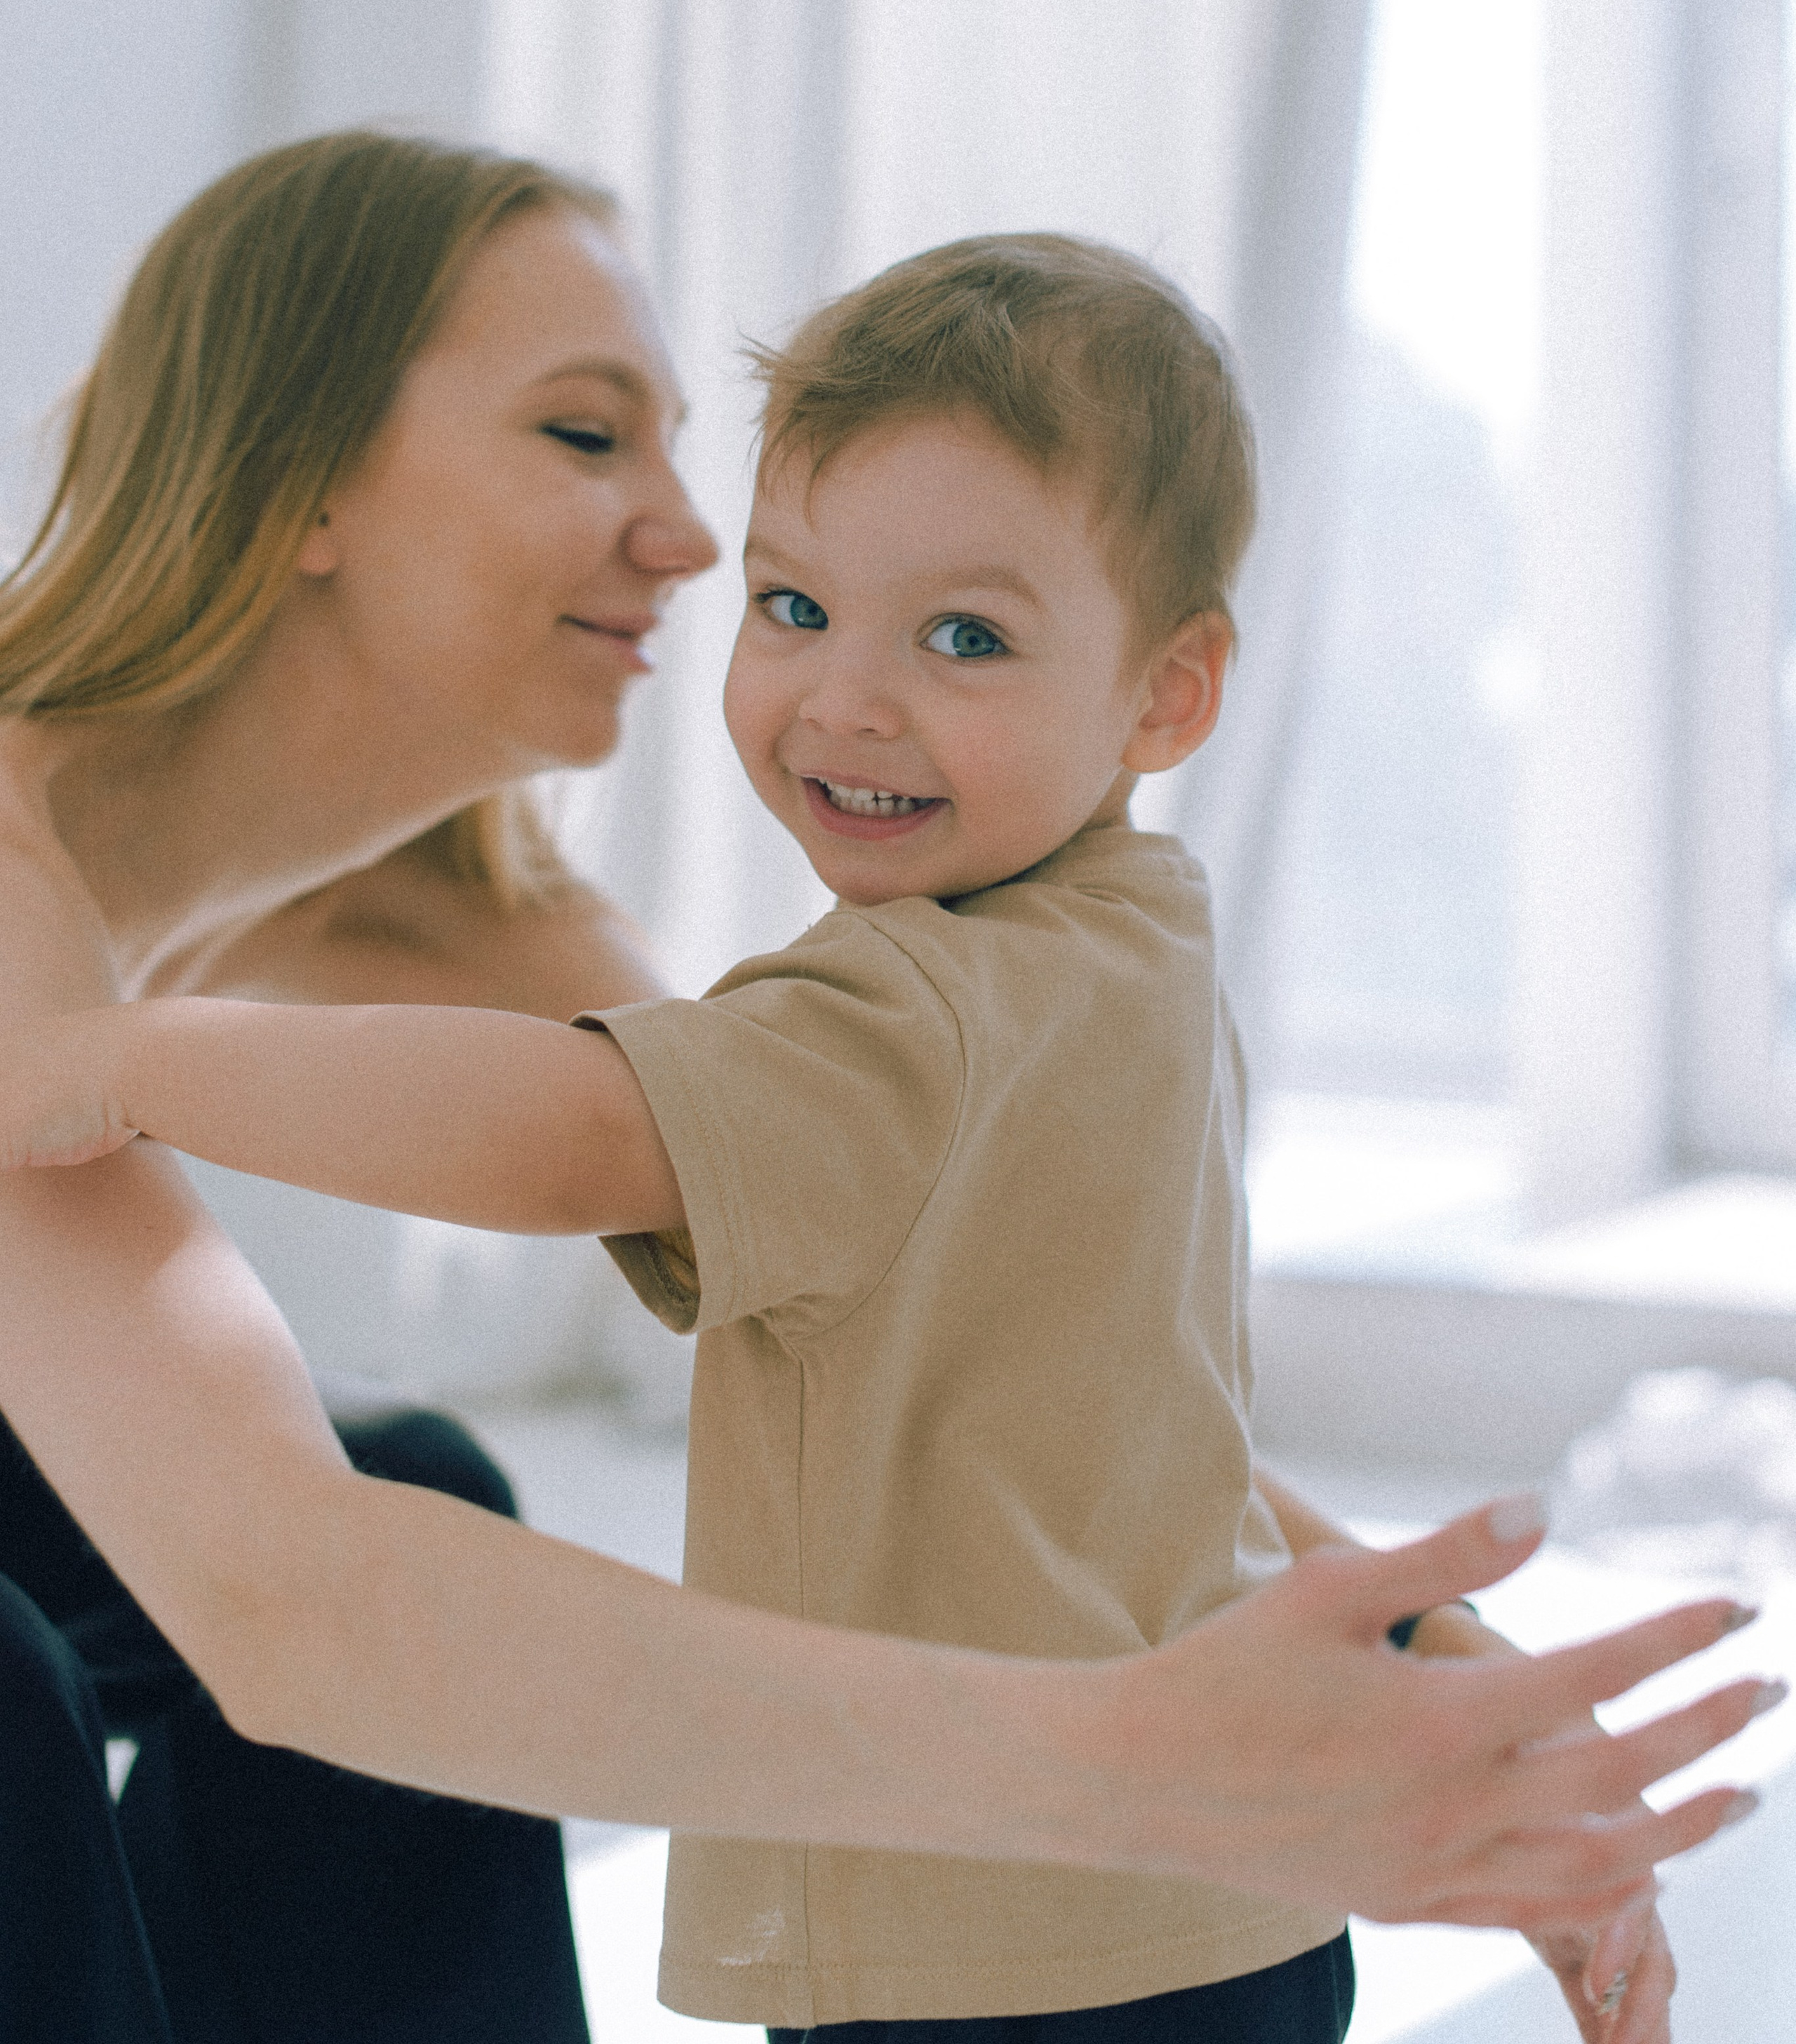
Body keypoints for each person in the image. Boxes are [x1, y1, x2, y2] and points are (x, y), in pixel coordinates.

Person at [10, 220, 1777, 2044]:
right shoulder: (1134, 941)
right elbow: (1111, 1410)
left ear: (1167, 694)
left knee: (409, 1486)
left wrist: (132, 1057)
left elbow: (590, 1142)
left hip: (1003, 1963)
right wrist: (1422, 1696)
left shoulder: (893, 1002)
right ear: (306, 481)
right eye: (583, 434)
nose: (693, 545)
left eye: (963, 634)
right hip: (1197, 1934)